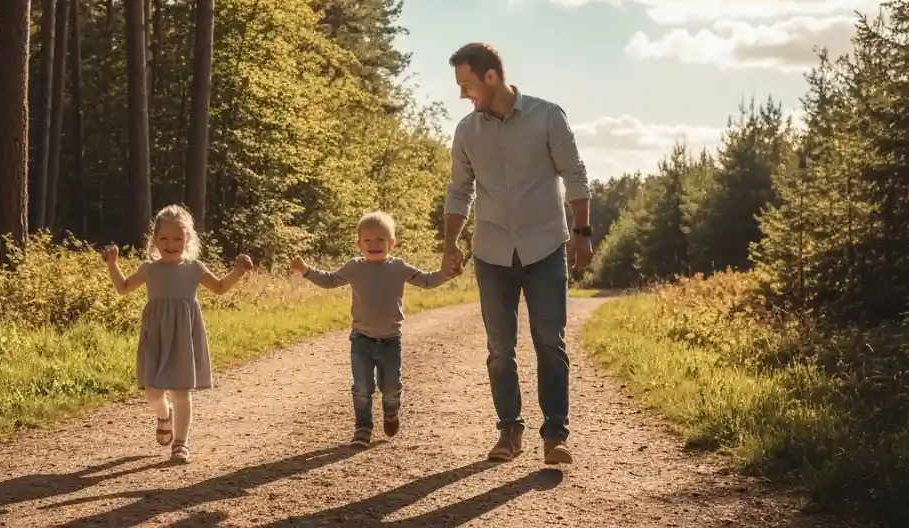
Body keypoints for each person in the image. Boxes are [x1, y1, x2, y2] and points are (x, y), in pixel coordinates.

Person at [440, 42, 593, 467]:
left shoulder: (547, 116)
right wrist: (450, 243)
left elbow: (574, 173)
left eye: (467, 84)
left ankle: (555, 435)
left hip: (545, 247)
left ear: (491, 77)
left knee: (550, 342)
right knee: (499, 348)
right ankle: (509, 430)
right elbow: (459, 191)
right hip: (492, 252)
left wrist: (582, 232)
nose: (462, 94)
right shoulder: (466, 131)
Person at [291, 211, 460, 448]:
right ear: (359, 243)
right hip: (362, 340)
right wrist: (306, 270)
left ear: (392, 243)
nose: (374, 244)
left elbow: (426, 280)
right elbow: (329, 280)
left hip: (391, 341)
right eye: (368, 240)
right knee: (362, 388)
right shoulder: (354, 267)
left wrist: (445, 274)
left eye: (381, 239)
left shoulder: (398, 267)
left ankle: (391, 411)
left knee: (391, 388)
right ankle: (363, 428)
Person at [103, 204, 253, 463]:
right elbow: (123, 287)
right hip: (156, 336)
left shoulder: (194, 268)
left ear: (187, 239)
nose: (170, 244)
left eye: (176, 238)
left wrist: (238, 271)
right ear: (154, 240)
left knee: (181, 391)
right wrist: (113, 264)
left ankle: (181, 443)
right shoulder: (149, 268)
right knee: (152, 391)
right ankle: (164, 416)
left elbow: (219, 287)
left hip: (184, 337)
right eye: (163, 238)